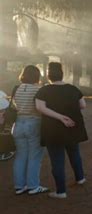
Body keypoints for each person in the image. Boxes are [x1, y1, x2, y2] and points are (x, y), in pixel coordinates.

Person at [35, 62, 88, 199]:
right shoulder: (73, 89)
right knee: (74, 153)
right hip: (72, 126)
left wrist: (59, 116)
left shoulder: (43, 90)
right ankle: (80, 178)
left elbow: (40, 108)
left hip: (53, 129)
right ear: (62, 73)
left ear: (49, 75)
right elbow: (83, 105)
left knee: (57, 159)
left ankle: (61, 191)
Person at [12, 65, 49, 195]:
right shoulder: (38, 90)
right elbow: (41, 108)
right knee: (35, 156)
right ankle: (33, 186)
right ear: (36, 76)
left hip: (18, 123)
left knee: (21, 156)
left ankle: (19, 186)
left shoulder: (16, 88)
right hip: (34, 123)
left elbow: (15, 106)